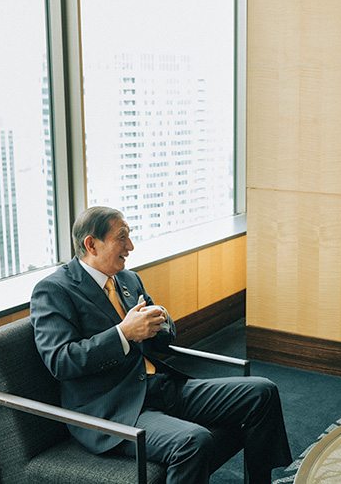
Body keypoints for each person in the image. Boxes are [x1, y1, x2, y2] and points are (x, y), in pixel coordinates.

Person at [30, 206, 291, 484]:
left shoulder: (127, 279)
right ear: (91, 244)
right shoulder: (54, 290)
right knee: (194, 441)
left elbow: (165, 337)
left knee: (261, 392)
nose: (130, 246)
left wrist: (161, 319)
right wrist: (123, 333)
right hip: (113, 409)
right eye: (122, 238)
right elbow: (61, 361)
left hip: (163, 387)